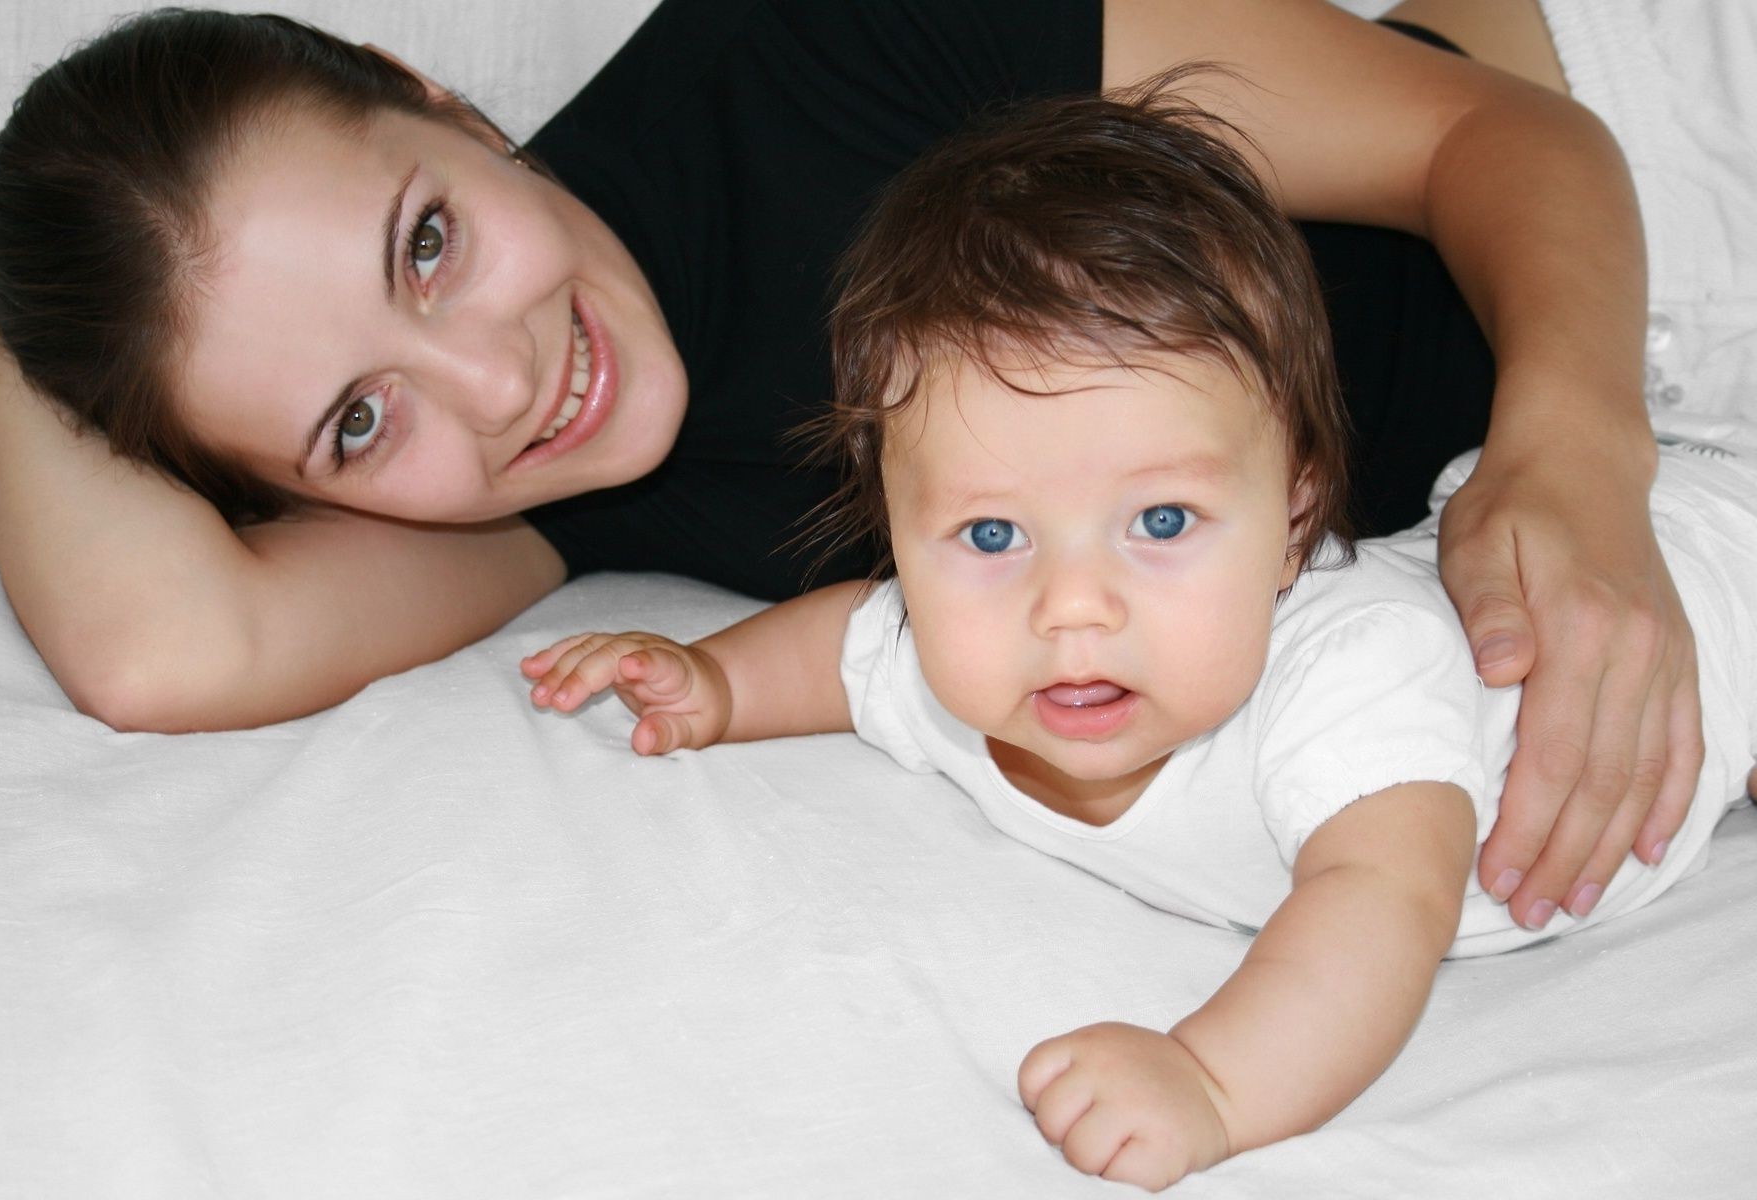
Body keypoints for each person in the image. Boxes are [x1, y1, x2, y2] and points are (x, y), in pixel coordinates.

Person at [0, 0, 1694, 930]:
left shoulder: (835, 40)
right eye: (357, 421)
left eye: (425, 240)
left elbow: (1491, 132)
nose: (499, 380)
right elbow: (168, 654)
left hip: (1657, 170)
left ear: (444, 106)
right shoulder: (555, 490)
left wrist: (1577, 449)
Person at [519, 90, 1757, 1189]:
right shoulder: (957, 657)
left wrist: (1211, 1084)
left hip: (1702, 582)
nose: (1071, 607)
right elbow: (848, 645)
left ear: (1294, 519)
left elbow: (1379, 904)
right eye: (992, 534)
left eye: (1160, 521)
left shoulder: (1355, 671)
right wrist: (714, 685)